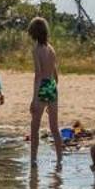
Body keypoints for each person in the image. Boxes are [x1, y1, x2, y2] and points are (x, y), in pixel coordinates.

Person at [27, 17, 61, 163]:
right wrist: (52, 92)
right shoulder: (51, 48)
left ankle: (33, 159)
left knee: (35, 126)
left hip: (42, 86)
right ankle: (60, 159)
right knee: (54, 127)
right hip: (52, 87)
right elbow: (55, 74)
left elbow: (38, 74)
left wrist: (34, 99)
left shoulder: (36, 50)